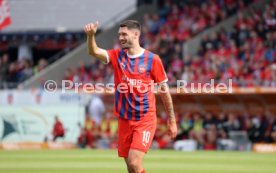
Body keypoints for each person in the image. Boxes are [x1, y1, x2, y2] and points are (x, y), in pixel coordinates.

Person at [84, 20, 177, 173]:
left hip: (144, 119)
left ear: (135, 35)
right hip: (124, 119)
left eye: (124, 34)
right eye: (119, 34)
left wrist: (172, 120)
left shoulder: (152, 60)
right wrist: (90, 36)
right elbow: (93, 51)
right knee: (131, 168)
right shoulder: (117, 56)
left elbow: (164, 91)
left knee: (134, 162)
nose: (120, 38)